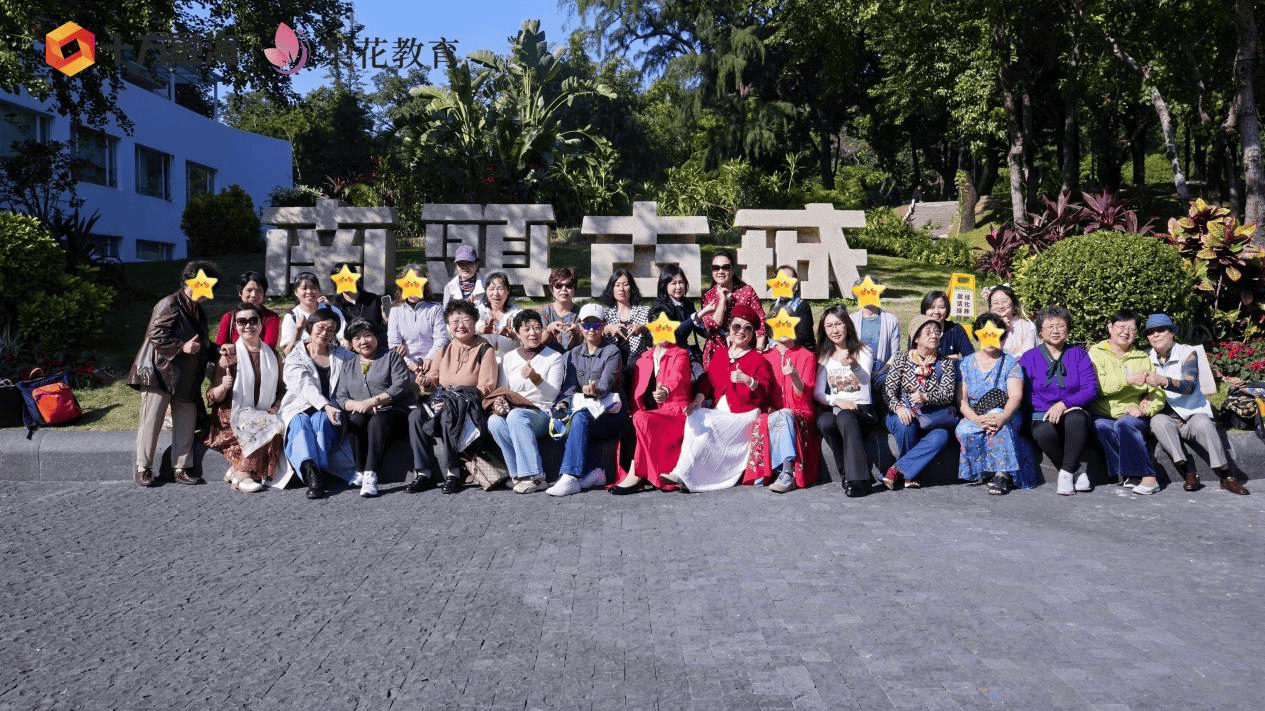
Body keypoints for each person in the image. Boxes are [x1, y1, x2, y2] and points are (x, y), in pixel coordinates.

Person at [663, 304, 775, 491]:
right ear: (730, 328)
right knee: (694, 416)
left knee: (705, 420)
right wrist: (698, 399)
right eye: (737, 326)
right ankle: (687, 475)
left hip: (743, 415)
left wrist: (749, 380)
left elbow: (766, 390)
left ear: (752, 335)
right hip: (720, 412)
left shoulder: (758, 359)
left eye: (747, 329)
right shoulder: (721, 354)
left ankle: (681, 473)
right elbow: (707, 381)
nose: (741, 331)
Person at [128, 260, 219, 486]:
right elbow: (156, 333)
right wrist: (182, 347)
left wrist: (219, 350)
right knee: (151, 422)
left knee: (186, 423)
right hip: (159, 373)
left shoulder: (197, 310)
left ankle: (181, 468)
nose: (206, 292)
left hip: (185, 377)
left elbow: (201, 344)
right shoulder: (169, 303)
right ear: (188, 282)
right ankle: (142, 468)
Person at [1144, 313, 1248, 494]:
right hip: (1166, 415)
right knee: (1157, 422)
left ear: (1172, 333)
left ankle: (1226, 476)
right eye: (1151, 332)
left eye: (1161, 330)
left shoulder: (1187, 353)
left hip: (1192, 413)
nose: (1156, 335)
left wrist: (1163, 380)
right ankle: (1187, 471)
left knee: (1204, 424)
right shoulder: (1146, 357)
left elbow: (1189, 385)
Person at [410, 299, 500, 494]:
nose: (460, 326)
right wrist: (425, 382)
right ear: (448, 325)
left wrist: (458, 397)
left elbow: (486, 387)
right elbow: (433, 377)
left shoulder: (485, 349)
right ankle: (423, 473)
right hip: (443, 400)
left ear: (474, 322)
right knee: (415, 416)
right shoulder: (444, 349)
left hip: (469, 406)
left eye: (466, 320)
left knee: (447, 413)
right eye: (455, 322)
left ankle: (454, 473)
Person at [203, 303, 285, 493]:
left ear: (261, 324)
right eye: (242, 321)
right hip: (231, 413)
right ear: (236, 326)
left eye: (253, 321)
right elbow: (212, 395)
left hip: (262, 411)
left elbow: (281, 390)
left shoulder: (272, 355)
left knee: (277, 424)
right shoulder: (229, 354)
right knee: (263, 423)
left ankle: (236, 469)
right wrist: (223, 387)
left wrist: (277, 404)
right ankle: (243, 474)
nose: (248, 326)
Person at [611, 306, 694, 494]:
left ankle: (636, 474)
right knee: (633, 420)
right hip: (652, 412)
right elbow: (636, 392)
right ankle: (635, 472)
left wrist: (665, 390)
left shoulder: (680, 354)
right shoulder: (643, 358)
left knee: (641, 419)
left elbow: (677, 377)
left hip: (676, 413)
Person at [954, 313, 1038, 495]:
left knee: (998, 423)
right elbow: (962, 401)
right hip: (976, 414)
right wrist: (977, 420)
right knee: (964, 430)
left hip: (1006, 413)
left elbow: (1015, 397)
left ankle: (1002, 474)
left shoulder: (1010, 363)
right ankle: (983, 472)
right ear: (978, 335)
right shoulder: (966, 364)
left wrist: (1003, 417)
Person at [1019, 307, 1099, 496]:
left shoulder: (1078, 354)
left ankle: (1065, 474)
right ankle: (1075, 469)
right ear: (1040, 332)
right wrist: (1047, 410)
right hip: (1041, 413)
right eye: (1049, 326)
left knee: (1076, 418)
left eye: (1060, 326)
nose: (1055, 331)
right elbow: (1024, 393)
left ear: (1067, 329)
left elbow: (1090, 389)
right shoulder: (1029, 358)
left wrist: (1064, 404)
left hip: (1071, 409)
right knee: (1043, 432)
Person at [333, 319, 416, 498]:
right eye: (357, 338)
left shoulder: (391, 357)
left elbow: (401, 385)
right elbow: (341, 397)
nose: (363, 341)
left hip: (392, 411)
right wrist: (359, 405)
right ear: (351, 343)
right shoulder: (348, 365)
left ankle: (371, 474)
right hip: (361, 412)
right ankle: (360, 471)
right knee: (355, 419)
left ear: (377, 338)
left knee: (377, 421)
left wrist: (373, 401)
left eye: (367, 336)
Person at [551, 303, 628, 495]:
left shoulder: (612, 352)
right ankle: (594, 470)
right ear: (580, 326)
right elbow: (569, 388)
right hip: (587, 410)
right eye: (587, 324)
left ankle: (570, 476)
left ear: (604, 325)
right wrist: (563, 403)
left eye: (596, 324)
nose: (591, 329)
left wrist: (594, 390)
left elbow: (606, 384)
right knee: (570, 419)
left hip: (611, 413)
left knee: (580, 418)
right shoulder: (573, 354)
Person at [279, 309, 355, 500]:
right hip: (299, 406)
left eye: (331, 329)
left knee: (321, 421)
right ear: (310, 328)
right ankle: (312, 473)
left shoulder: (342, 355)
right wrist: (326, 406)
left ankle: (316, 471)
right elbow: (304, 386)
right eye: (321, 327)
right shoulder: (295, 355)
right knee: (300, 424)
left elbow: (362, 365)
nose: (325, 333)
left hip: (329, 409)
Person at [1088, 310, 1166, 495]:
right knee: (1102, 427)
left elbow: (1157, 391)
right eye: (1121, 327)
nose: (1126, 332)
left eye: (1131, 329)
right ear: (1110, 327)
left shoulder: (1142, 358)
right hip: (1103, 412)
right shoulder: (1096, 353)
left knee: (1124, 424)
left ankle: (1149, 477)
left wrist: (1146, 408)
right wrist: (1128, 380)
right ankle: (1131, 474)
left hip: (1132, 413)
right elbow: (1099, 387)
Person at [487, 310, 565, 494]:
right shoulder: (509, 358)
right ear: (517, 333)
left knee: (516, 416)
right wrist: (499, 403)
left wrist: (535, 378)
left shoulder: (554, 357)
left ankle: (535, 476)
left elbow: (551, 396)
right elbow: (503, 389)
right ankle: (517, 475)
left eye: (537, 328)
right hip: (514, 410)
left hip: (541, 412)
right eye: (527, 329)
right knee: (494, 421)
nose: (533, 333)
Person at [882, 316, 958, 490]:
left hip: (933, 417)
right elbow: (888, 391)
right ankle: (911, 475)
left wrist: (926, 397)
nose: (934, 335)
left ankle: (896, 470)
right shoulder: (902, 359)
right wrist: (898, 407)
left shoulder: (945, 363)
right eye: (928, 332)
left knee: (941, 437)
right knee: (906, 425)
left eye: (937, 332)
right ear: (916, 338)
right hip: (903, 411)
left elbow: (948, 394)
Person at [745, 314, 820, 493]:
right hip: (774, 411)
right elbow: (762, 392)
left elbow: (805, 396)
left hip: (801, 412)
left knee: (785, 415)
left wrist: (794, 376)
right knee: (765, 418)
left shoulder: (807, 356)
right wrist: (767, 407)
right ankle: (772, 471)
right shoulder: (765, 357)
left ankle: (787, 473)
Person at [814, 305, 877, 498]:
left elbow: (865, 380)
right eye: (829, 326)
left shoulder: (863, 349)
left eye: (838, 324)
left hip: (863, 411)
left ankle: (859, 480)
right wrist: (837, 401)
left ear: (847, 325)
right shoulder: (824, 357)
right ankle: (846, 474)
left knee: (845, 417)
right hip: (839, 409)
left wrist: (854, 365)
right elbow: (818, 393)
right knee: (824, 421)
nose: (835, 330)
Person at [699, 250, 767, 367]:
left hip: (744, 348)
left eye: (725, 267)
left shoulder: (747, 292)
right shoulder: (708, 296)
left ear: (732, 270)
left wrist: (759, 349)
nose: (720, 271)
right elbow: (714, 325)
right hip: (717, 350)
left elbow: (760, 322)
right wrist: (722, 300)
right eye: (716, 268)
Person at [387, 263, 447, 388]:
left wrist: (429, 359)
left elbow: (441, 339)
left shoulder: (435, 308)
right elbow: (394, 344)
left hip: (433, 363)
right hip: (405, 364)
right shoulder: (395, 311)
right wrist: (409, 364)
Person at [650, 264, 712, 380]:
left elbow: (701, 330)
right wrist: (697, 316)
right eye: (673, 283)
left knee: (702, 379)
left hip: (686, 352)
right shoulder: (659, 307)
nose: (678, 287)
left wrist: (719, 330)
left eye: (681, 282)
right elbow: (671, 334)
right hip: (667, 354)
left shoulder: (687, 304)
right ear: (664, 285)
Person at [279, 271, 347, 357]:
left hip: (332, 358)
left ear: (319, 291)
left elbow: (344, 339)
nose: (309, 292)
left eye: (313, 288)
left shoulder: (332, 311)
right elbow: (287, 351)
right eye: (304, 288)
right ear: (296, 292)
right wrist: (298, 331)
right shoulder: (292, 317)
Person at [599, 269, 651, 377]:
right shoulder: (604, 313)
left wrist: (644, 329)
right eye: (617, 285)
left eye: (626, 285)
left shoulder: (644, 311)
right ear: (612, 289)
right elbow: (593, 336)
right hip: (611, 365)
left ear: (631, 288)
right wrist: (607, 329)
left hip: (638, 364)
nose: (621, 289)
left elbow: (653, 342)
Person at [850, 280, 900, 390]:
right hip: (856, 373)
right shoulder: (850, 320)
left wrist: (880, 372)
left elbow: (895, 354)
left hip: (882, 374)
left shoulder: (891, 320)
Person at [215, 271, 280, 351]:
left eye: (259, 290)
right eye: (249, 290)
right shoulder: (229, 317)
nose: (253, 295)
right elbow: (219, 345)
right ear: (240, 293)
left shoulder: (271, 317)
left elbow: (269, 346)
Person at [330, 263, 387, 342]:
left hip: (377, 345)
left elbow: (388, 326)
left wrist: (387, 321)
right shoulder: (335, 308)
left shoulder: (375, 300)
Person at [766, 264, 816, 351]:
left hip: (798, 351)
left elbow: (804, 336)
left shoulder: (802, 306)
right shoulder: (774, 307)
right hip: (776, 350)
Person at [475, 271, 521, 358]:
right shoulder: (478, 310)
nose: (496, 293)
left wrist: (514, 336)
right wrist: (482, 329)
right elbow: (472, 324)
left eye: (500, 289)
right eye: (491, 289)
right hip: (483, 360)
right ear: (486, 291)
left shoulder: (517, 313)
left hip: (510, 360)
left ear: (508, 291)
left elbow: (525, 334)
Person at [919, 290, 973, 359]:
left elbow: (970, 357)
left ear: (947, 309)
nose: (936, 312)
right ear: (925, 310)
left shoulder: (956, 330)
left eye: (941, 307)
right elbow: (913, 358)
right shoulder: (918, 330)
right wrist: (950, 358)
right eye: (931, 307)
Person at [986, 285, 1036, 358]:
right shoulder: (985, 327)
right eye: (996, 303)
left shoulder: (1028, 326)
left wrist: (1009, 362)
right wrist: (1000, 328)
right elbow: (988, 354)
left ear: (1013, 303)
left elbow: (1027, 353)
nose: (1000, 306)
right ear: (991, 306)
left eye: (1004, 301)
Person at [541, 267, 582, 351]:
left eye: (569, 285)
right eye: (558, 285)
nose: (563, 289)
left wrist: (577, 333)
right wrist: (548, 330)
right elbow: (535, 342)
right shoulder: (543, 312)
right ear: (552, 288)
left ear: (574, 288)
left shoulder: (582, 313)